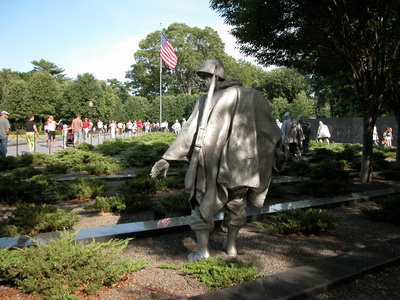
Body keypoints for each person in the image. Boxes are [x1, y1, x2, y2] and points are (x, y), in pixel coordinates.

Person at [150, 59, 282, 261]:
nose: (202, 81)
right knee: (237, 203)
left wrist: (168, 157)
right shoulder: (254, 96)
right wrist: (277, 149)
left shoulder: (206, 100)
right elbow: (270, 130)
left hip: (211, 164)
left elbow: (189, 132)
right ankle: (231, 248)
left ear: (216, 76)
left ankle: (203, 251)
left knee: (201, 203)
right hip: (243, 165)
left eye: (205, 76)